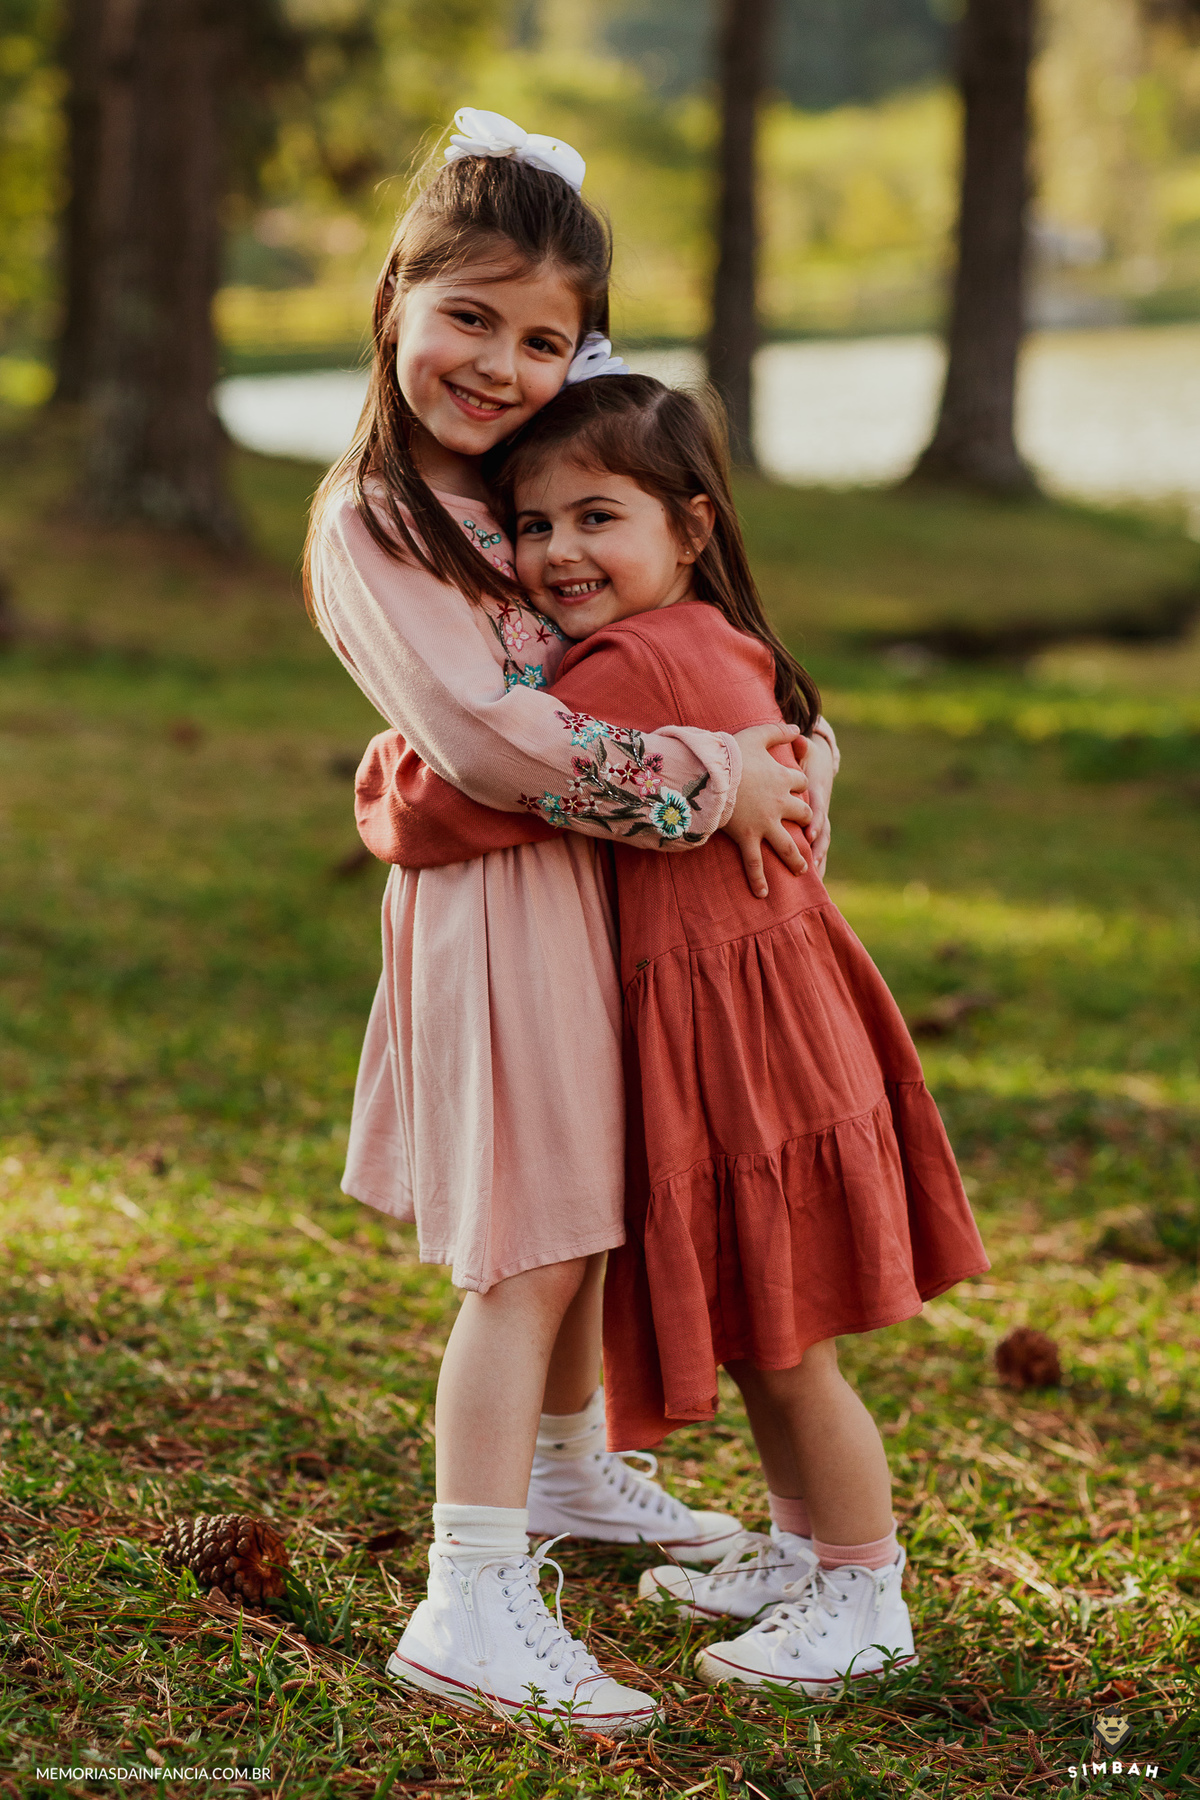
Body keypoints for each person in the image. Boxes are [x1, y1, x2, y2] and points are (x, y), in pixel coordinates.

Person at [304, 111, 840, 1732]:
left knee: (590, 1217)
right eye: (469, 317)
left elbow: (698, 635)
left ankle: (570, 1475)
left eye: (544, 336)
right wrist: (705, 780)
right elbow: (488, 742)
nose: (499, 362)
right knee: (525, 1249)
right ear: (396, 297)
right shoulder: (377, 520)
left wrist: (789, 761)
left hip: (608, 913)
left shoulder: (540, 483)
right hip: (499, 926)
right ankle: (469, 1595)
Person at [365, 372, 990, 1699]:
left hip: (741, 1037)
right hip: (764, 1021)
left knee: (790, 1344)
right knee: (776, 1315)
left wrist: (384, 782)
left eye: (597, 517)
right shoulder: (711, 637)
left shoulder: (629, 665)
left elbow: (472, 789)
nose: (557, 554)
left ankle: (861, 1586)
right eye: (532, 526)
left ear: (692, 526)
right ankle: (802, 1548)